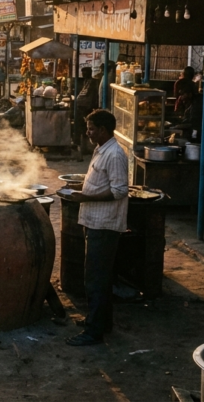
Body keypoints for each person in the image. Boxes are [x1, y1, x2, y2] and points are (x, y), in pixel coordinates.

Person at [64, 109, 129, 346]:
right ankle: (101, 322)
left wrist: (86, 197)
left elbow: (119, 190)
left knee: (96, 279)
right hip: (94, 221)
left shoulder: (115, 154)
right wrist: (82, 189)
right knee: (100, 277)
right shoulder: (101, 149)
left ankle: (94, 332)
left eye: (91, 129)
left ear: (103, 130)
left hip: (104, 225)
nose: (88, 132)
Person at [74, 66, 99, 150]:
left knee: (86, 126)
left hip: (87, 107)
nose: (83, 74)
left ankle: (87, 146)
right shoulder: (86, 81)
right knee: (82, 126)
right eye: (82, 73)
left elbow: (88, 94)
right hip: (82, 107)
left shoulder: (92, 82)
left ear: (90, 73)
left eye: (85, 73)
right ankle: (82, 145)